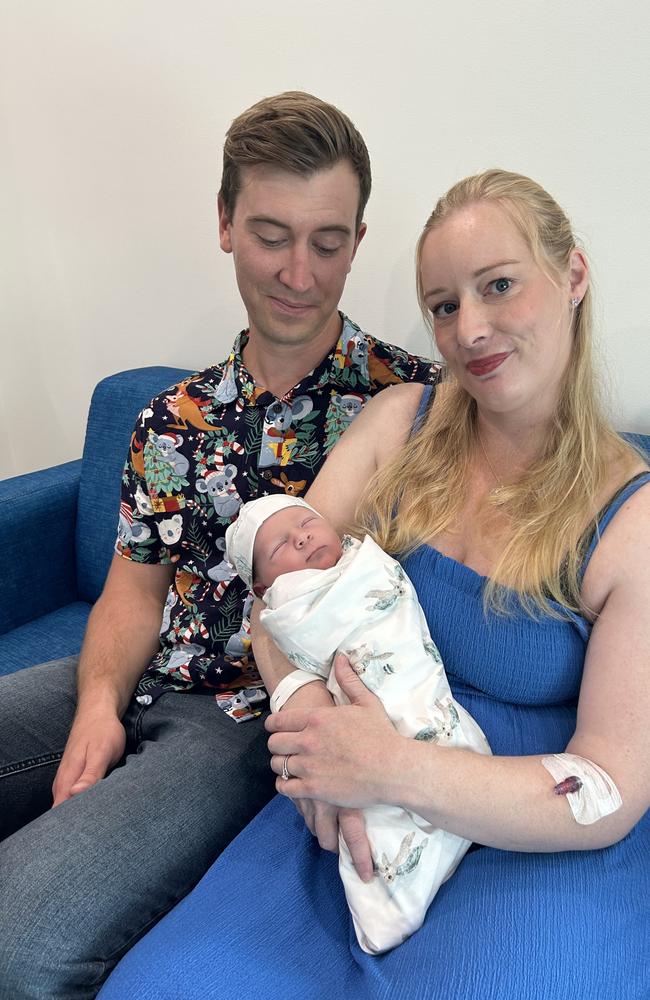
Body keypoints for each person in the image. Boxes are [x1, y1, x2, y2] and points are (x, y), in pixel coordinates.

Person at [99, 169, 650, 1000]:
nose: (471, 328)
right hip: (344, 796)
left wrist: (396, 770)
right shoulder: (400, 423)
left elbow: (605, 792)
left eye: (499, 285)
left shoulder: (631, 523)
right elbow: (279, 603)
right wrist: (308, 719)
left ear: (572, 277)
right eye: (443, 304)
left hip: (529, 839)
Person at [0, 91, 438, 999]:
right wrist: (96, 705)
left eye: (327, 241)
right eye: (272, 234)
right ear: (225, 224)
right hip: (152, 669)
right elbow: (132, 589)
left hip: (246, 725)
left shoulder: (420, 409)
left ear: (359, 240)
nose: (300, 272)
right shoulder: (172, 418)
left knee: (20, 939)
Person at [225, 493, 490, 954]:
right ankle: (390, 905)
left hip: (419, 686)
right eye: (280, 547)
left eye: (307, 521)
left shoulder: (363, 559)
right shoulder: (287, 602)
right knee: (368, 814)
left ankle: (452, 813)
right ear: (264, 589)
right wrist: (308, 708)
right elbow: (286, 631)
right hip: (354, 716)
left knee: (427, 737)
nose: (303, 535)